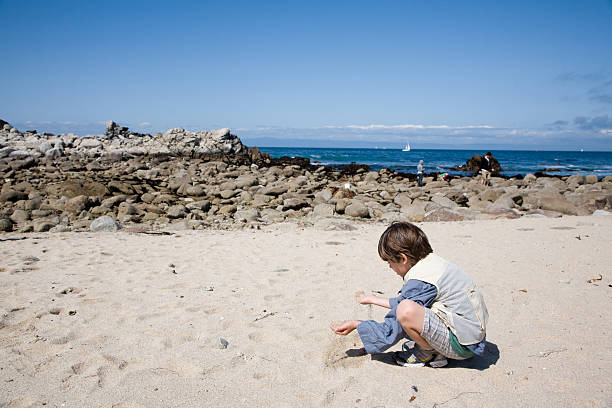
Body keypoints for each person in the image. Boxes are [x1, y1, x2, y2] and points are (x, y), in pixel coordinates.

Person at [330, 222, 488, 368]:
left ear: (403, 259)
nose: (390, 267)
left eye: (390, 262)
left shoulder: (421, 281)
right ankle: (432, 347)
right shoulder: (432, 264)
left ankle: (429, 354)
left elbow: (396, 322)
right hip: (471, 337)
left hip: (462, 346)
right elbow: (410, 299)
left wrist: (359, 325)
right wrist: (374, 300)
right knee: (407, 307)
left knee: (405, 311)